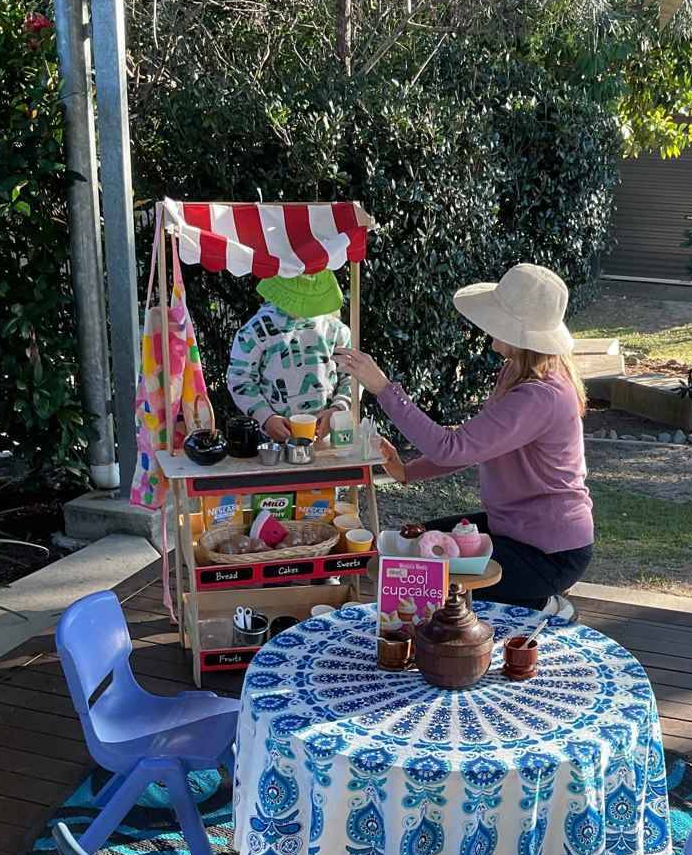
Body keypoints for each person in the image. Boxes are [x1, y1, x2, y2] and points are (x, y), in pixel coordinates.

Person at [336, 262, 594, 614]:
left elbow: (451, 446)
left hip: (547, 554)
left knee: (425, 573)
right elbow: (472, 445)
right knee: (416, 542)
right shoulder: (518, 373)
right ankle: (522, 602)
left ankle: (535, 606)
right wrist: (407, 471)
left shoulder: (539, 395)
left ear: (517, 332)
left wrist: (382, 387)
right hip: (516, 531)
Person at [226, 271, 353, 445]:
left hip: (328, 437)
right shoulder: (256, 330)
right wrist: (266, 418)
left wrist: (338, 409)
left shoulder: (335, 329)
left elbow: (353, 376)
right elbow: (239, 378)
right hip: (274, 440)